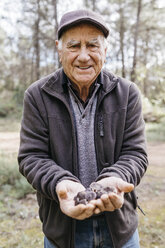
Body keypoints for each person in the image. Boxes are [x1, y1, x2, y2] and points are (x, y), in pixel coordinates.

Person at [18, 9, 148, 248]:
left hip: (120, 229)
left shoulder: (127, 93)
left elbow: (135, 153)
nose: (84, 56)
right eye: (74, 46)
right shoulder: (37, 96)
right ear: (59, 49)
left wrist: (114, 178)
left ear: (105, 50)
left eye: (92, 45)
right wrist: (61, 184)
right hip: (63, 230)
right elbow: (32, 157)